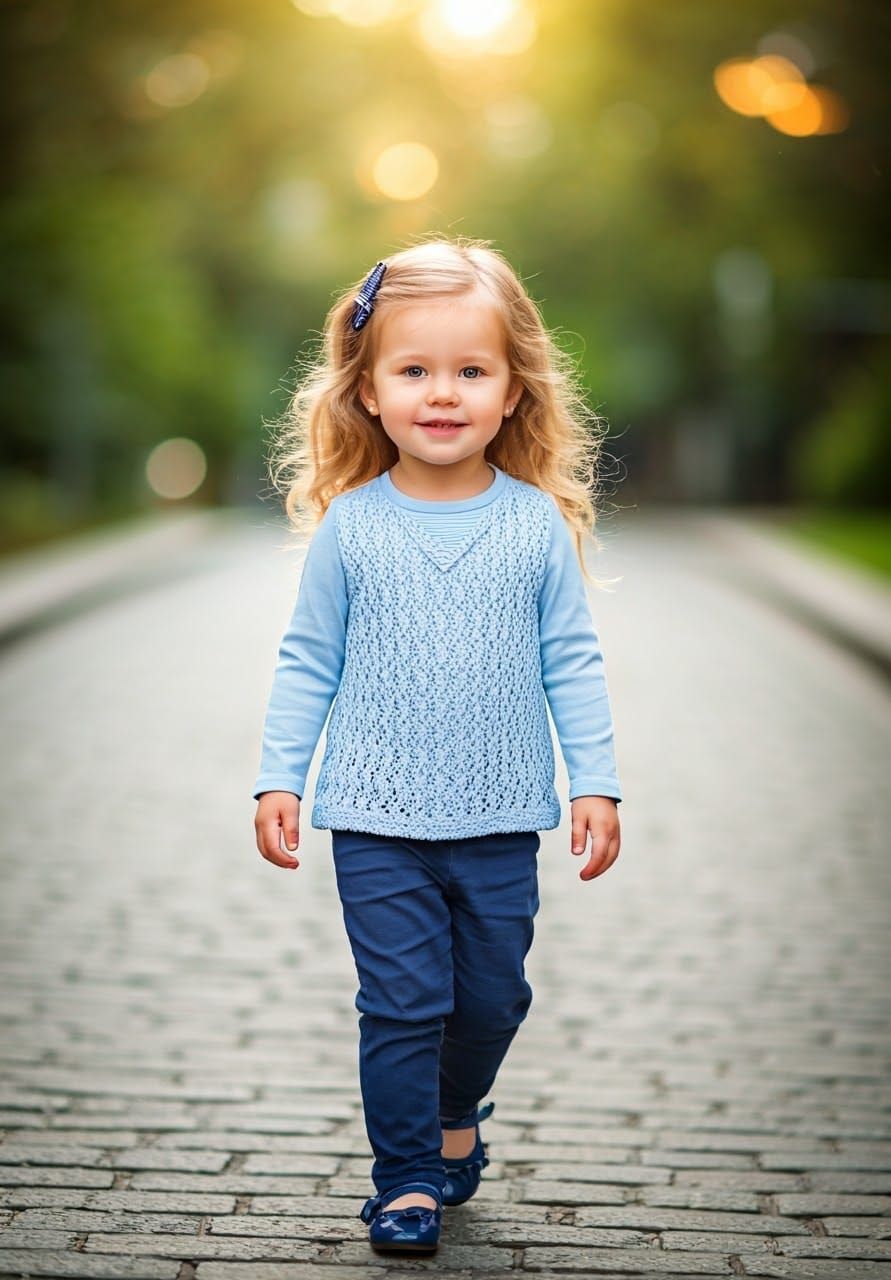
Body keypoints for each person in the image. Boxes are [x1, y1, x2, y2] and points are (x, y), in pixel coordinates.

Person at [252, 235, 623, 1255]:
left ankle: (458, 1111)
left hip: (502, 814)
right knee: (403, 1001)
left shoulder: (535, 526)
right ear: (367, 391)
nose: (442, 392)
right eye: (413, 369)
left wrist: (594, 781)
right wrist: (279, 776)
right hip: (374, 816)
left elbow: (572, 662)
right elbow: (305, 659)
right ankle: (407, 1177)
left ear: (512, 392)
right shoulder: (351, 528)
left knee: (493, 995)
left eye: (471, 370)